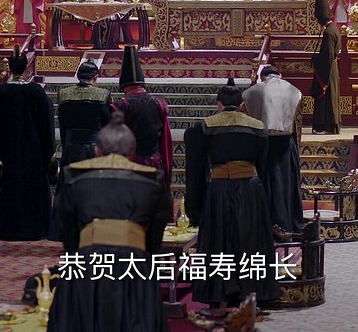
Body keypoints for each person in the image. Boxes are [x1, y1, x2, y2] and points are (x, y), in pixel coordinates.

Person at [48, 112, 171, 332]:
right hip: (135, 263)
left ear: (97, 151)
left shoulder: (74, 178)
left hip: (86, 261)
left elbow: (68, 234)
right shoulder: (153, 182)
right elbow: (154, 240)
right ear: (131, 154)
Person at [184, 79, 280, 309]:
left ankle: (220, 296)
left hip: (219, 189)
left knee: (219, 241)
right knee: (250, 241)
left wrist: (195, 209)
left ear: (218, 103)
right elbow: (262, 165)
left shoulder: (205, 127)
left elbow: (195, 170)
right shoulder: (258, 127)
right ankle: (252, 294)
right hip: (250, 189)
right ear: (241, 105)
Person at [0, 45, 56, 241]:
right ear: (27, 68)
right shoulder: (37, 92)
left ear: (11, 69)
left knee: (9, 189)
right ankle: (35, 228)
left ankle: (8, 229)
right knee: (33, 190)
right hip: (34, 153)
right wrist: (49, 151)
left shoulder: (1, 92)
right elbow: (47, 124)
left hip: (7, 152)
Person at [243, 65, 304, 236]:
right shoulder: (295, 91)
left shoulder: (251, 92)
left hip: (262, 142)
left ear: (262, 77)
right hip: (286, 144)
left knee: (265, 181)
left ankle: (264, 224)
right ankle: (288, 223)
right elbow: (297, 125)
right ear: (279, 75)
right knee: (285, 183)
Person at [113, 45, 173, 198]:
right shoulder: (159, 104)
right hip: (155, 164)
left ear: (124, 86)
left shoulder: (121, 106)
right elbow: (166, 143)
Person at [57, 59, 112, 167]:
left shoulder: (63, 94)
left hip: (71, 147)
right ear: (95, 77)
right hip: (94, 149)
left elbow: (62, 124)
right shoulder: (103, 95)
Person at [311, 0, 341, 135]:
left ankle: (324, 126)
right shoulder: (334, 29)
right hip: (331, 68)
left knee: (326, 99)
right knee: (330, 98)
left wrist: (316, 59)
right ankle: (330, 126)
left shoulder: (328, 33)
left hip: (327, 71)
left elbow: (327, 56)